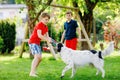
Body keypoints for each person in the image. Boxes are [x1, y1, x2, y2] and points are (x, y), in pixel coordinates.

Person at [28, 12, 52, 77]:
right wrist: (47, 39)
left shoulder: (46, 27)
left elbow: (47, 36)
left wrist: (49, 41)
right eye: (45, 19)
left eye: (48, 20)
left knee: (40, 58)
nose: (47, 21)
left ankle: (34, 71)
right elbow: (39, 36)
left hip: (37, 43)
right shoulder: (39, 25)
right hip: (33, 42)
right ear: (41, 19)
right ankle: (32, 73)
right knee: (37, 57)